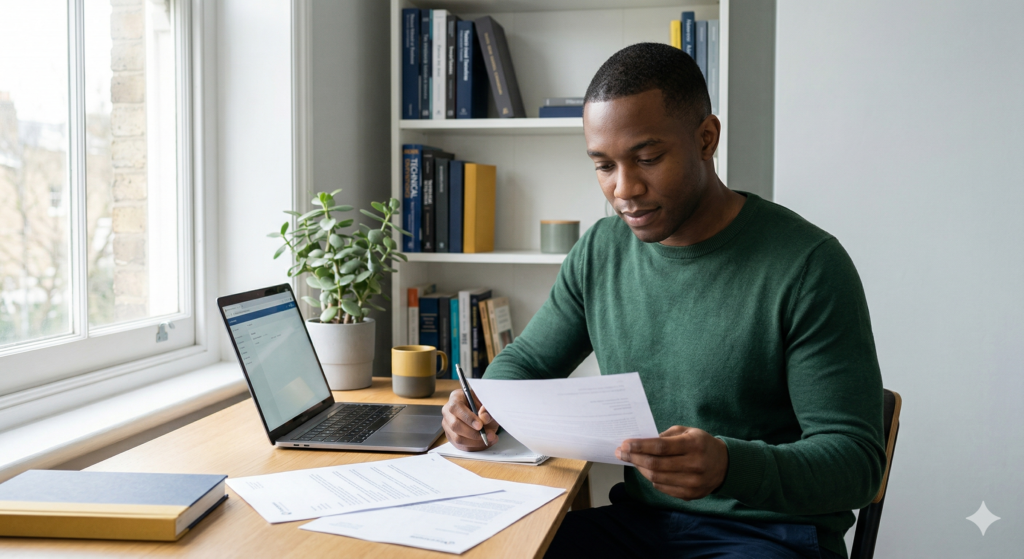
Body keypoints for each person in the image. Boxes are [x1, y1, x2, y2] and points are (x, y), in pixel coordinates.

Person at [441, 43, 885, 559]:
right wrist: (483, 408)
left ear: (706, 138)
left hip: (770, 537)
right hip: (642, 526)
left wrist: (728, 465)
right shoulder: (601, 251)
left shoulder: (808, 265)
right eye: (603, 165)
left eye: (648, 158)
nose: (624, 189)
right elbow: (530, 361)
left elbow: (855, 465)